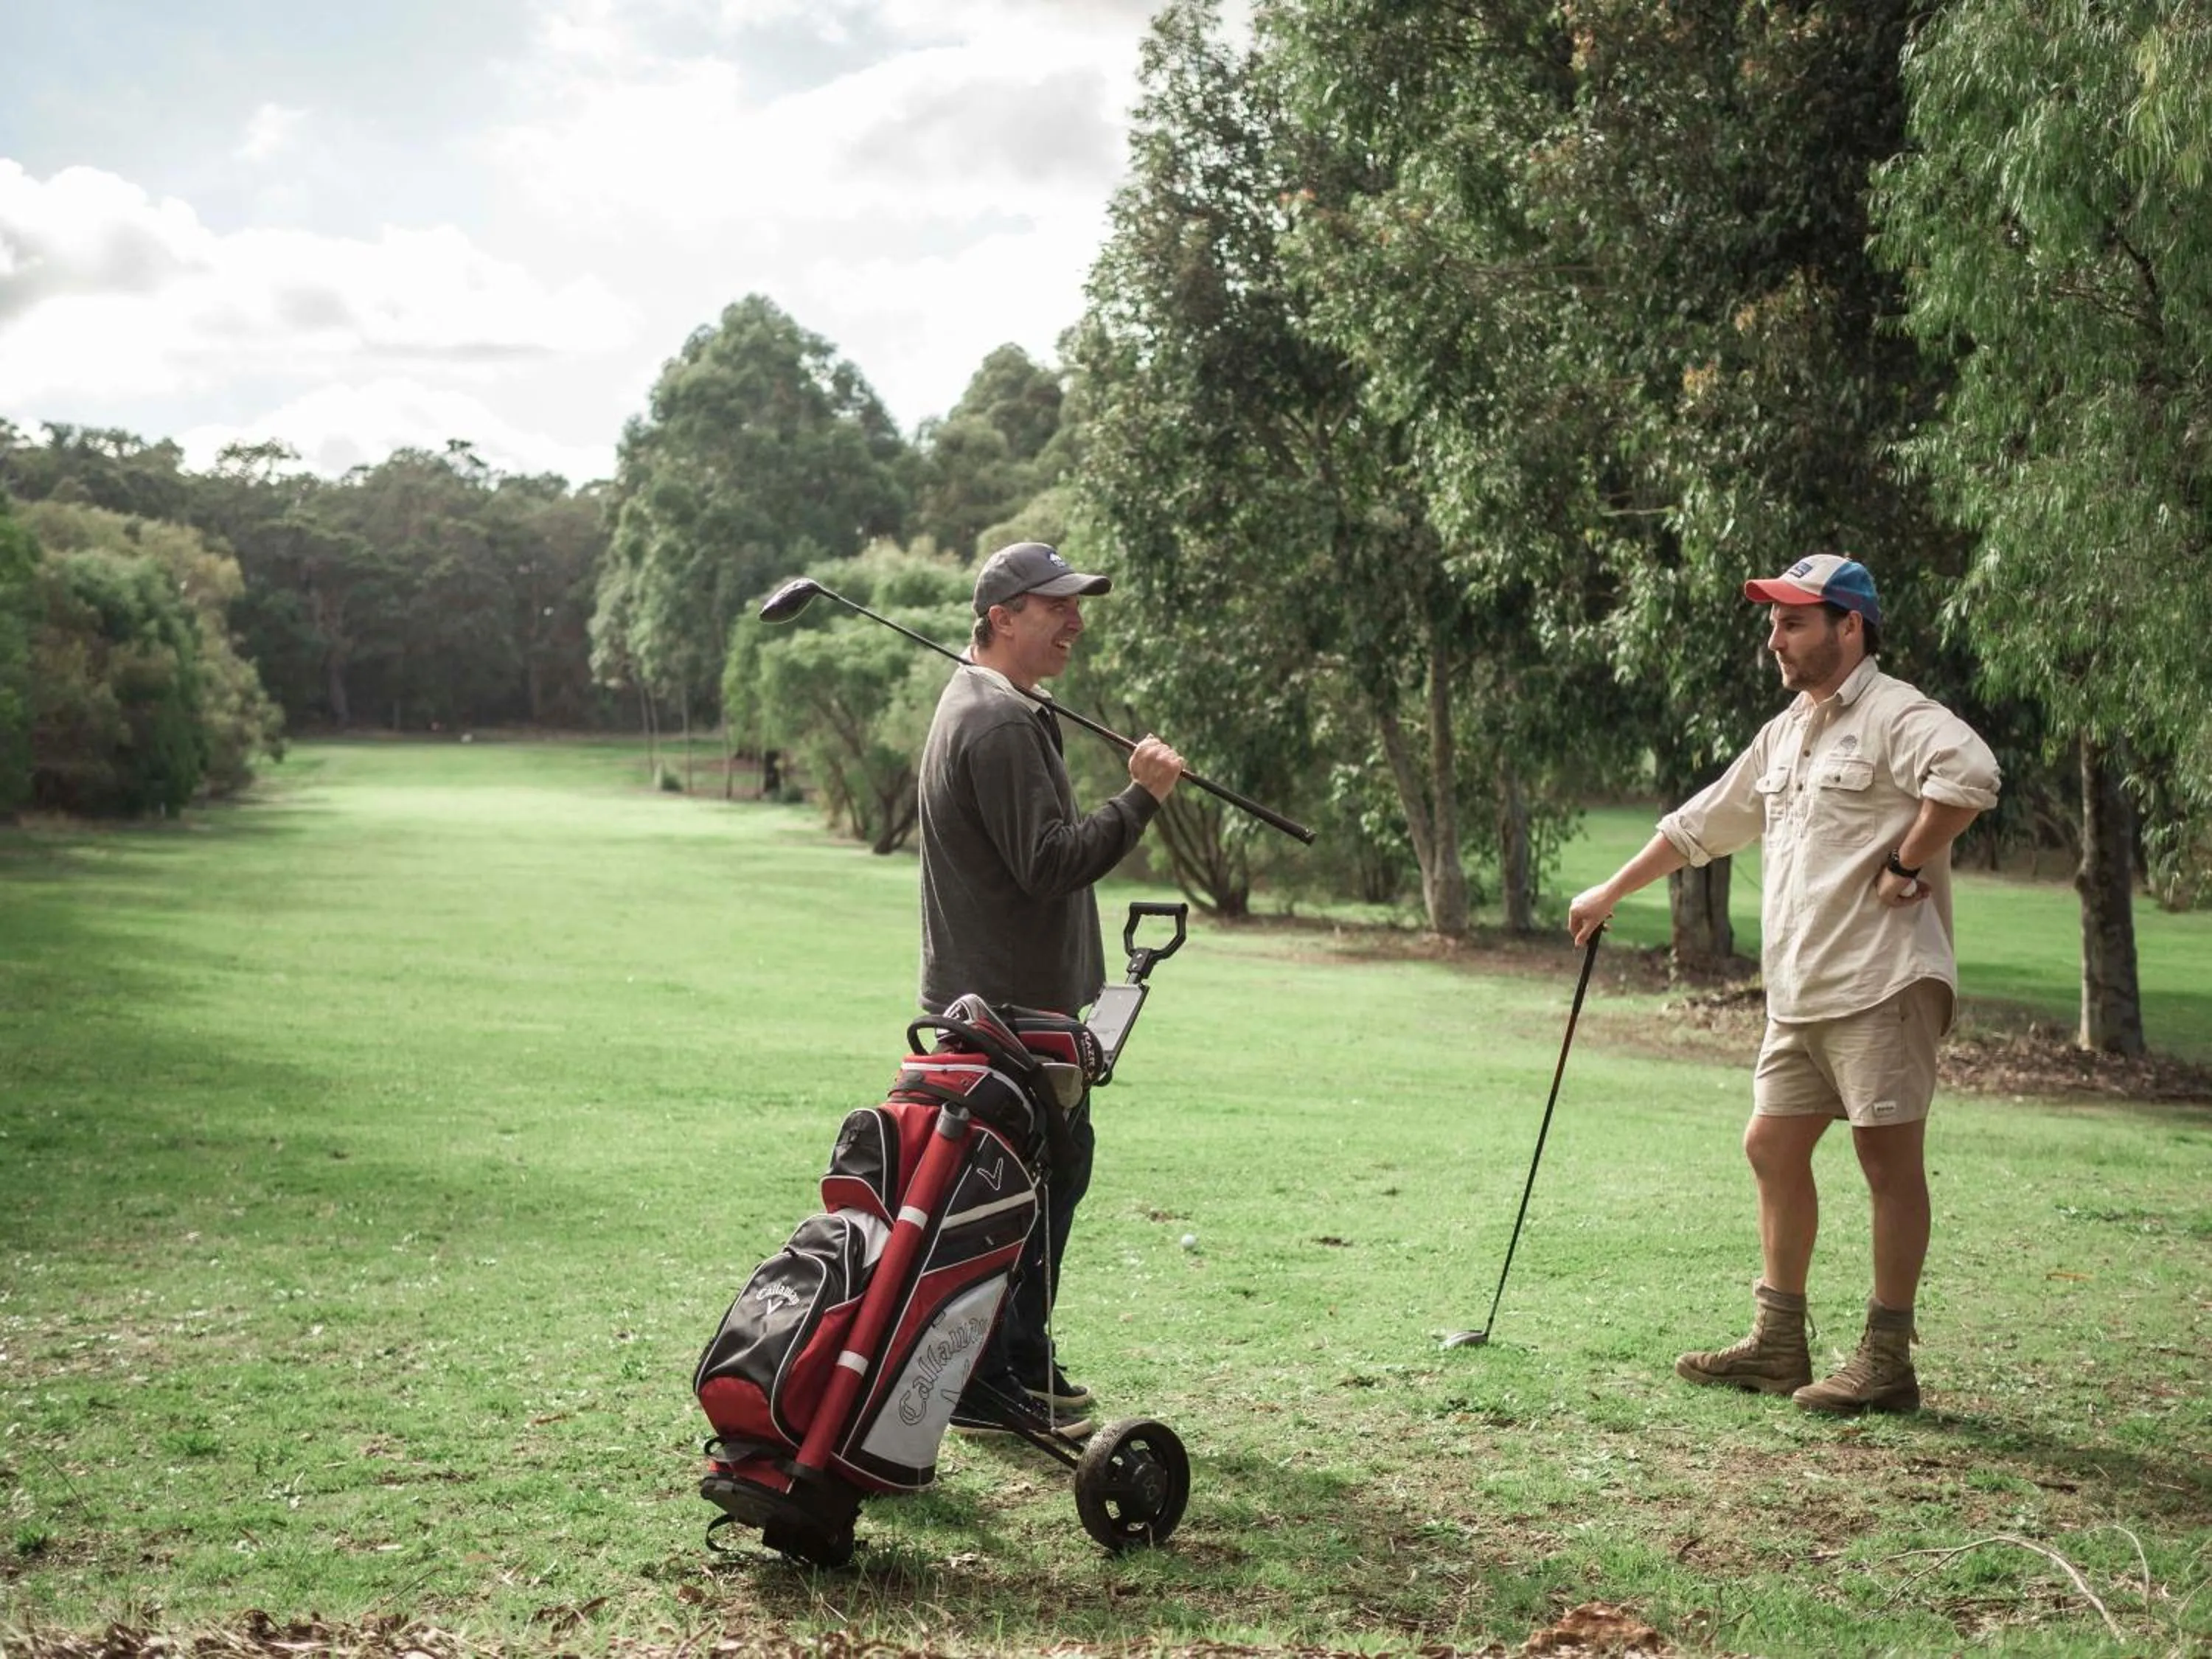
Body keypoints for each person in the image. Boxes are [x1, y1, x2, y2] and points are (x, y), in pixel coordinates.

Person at [1568, 553, 2000, 1413]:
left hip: (1882, 980)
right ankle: (1778, 1343)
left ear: (1850, 626)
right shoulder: (1788, 732)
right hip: (1800, 988)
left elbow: (1972, 776)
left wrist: (1907, 860)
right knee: (1770, 1146)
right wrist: (1613, 889)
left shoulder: (1894, 714)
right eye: (1773, 622)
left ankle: (1886, 1360)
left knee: (1885, 1158)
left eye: (1793, 622)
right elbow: (1704, 823)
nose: (1775, 638)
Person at [918, 540, 1184, 1442]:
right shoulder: (994, 722)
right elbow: (1049, 862)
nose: (1075, 620)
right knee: (1034, 1180)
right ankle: (1002, 1374)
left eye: (1078, 604)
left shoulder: (1003, 707)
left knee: (1028, 1179)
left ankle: (1003, 1365)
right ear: (1000, 617)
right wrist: (1140, 799)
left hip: (1005, 1004)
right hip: (1009, 1011)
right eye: (1054, 605)